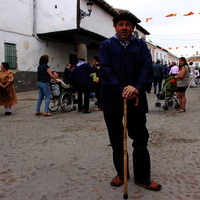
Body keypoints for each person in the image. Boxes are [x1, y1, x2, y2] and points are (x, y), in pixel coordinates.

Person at [99, 13, 162, 191]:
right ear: (115, 26)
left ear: (133, 27)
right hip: (112, 99)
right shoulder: (106, 46)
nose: (124, 27)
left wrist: (136, 87)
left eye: (128, 24)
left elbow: (146, 68)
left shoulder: (140, 46)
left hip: (136, 98)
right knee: (117, 140)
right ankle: (122, 174)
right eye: (120, 24)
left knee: (141, 138)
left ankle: (143, 177)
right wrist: (121, 89)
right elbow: (106, 70)